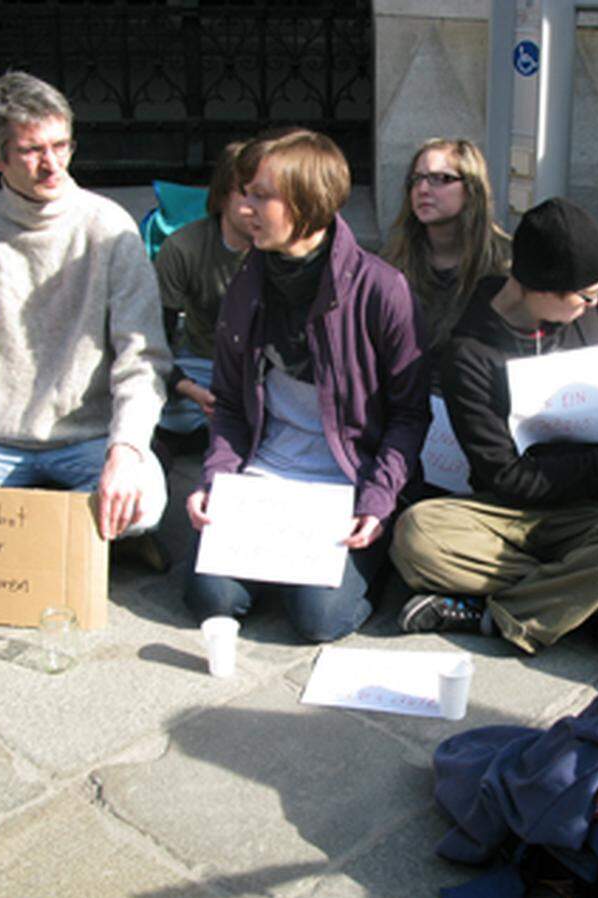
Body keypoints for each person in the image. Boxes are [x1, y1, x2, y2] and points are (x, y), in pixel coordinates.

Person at [389, 197, 598, 654]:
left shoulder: (587, 312)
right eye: (585, 296)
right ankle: (587, 597)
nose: (594, 305)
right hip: (507, 512)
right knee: (416, 536)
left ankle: (492, 612)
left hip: (591, 514)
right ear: (542, 287)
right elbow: (505, 477)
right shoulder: (468, 356)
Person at [0, 70, 170, 546]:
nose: (52, 164)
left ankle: (29, 530)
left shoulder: (109, 228)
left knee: (143, 503)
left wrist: (125, 451)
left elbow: (142, 359)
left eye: (61, 145)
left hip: (90, 440)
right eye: (32, 150)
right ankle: (64, 534)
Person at [183, 129, 430, 643]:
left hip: (346, 482)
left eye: (260, 196)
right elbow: (230, 404)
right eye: (244, 192)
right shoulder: (246, 283)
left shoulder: (381, 289)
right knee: (212, 602)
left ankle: (366, 568)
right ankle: (280, 565)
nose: (243, 208)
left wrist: (379, 499)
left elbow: (410, 415)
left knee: (319, 620)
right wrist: (216, 480)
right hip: (265, 476)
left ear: (307, 203)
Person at [152, 141, 251, 459]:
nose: (257, 207)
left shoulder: (280, 250)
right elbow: (153, 343)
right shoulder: (184, 248)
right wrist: (189, 389)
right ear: (223, 195)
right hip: (199, 360)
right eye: (246, 193)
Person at [382, 138, 511, 353]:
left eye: (440, 178)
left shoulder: (505, 263)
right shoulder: (392, 261)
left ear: (471, 188)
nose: (422, 189)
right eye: (417, 179)